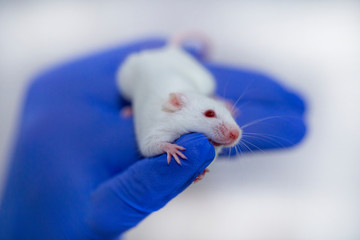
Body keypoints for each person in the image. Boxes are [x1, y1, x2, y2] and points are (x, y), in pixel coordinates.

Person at [0, 38, 306, 239]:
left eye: (223, 113)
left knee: (203, 82)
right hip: (150, 78)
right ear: (175, 106)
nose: (231, 131)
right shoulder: (166, 111)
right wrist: (164, 146)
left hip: (180, 78)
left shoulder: (199, 96)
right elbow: (150, 144)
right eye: (213, 116)